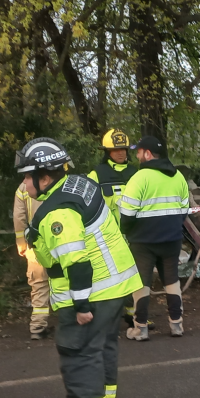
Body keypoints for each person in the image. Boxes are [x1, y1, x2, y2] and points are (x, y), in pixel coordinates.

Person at [16, 137, 142, 398]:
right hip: (115, 286)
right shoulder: (79, 184)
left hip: (92, 293)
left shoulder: (58, 212)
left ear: (44, 177)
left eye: (26, 177)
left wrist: (82, 306)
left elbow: (77, 262)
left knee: (77, 350)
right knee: (103, 346)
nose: (23, 185)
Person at [119, 135, 190, 341]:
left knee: (142, 283)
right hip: (172, 238)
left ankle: (140, 328)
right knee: (172, 280)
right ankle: (176, 325)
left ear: (148, 154)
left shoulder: (139, 178)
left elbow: (127, 213)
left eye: (139, 152)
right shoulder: (177, 176)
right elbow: (184, 209)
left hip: (143, 241)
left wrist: (128, 232)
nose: (136, 155)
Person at [87, 128, 142, 326]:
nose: (121, 153)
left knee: (134, 274)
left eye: (124, 149)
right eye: (116, 150)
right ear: (107, 151)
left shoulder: (136, 173)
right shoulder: (96, 174)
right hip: (107, 237)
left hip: (134, 234)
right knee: (108, 277)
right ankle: (106, 316)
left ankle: (134, 314)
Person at [13, 182, 51, 340]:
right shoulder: (59, 180)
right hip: (61, 240)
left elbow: (19, 217)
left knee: (39, 284)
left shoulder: (23, 187)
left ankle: (38, 326)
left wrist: (21, 243)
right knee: (66, 283)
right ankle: (72, 323)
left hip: (34, 243)